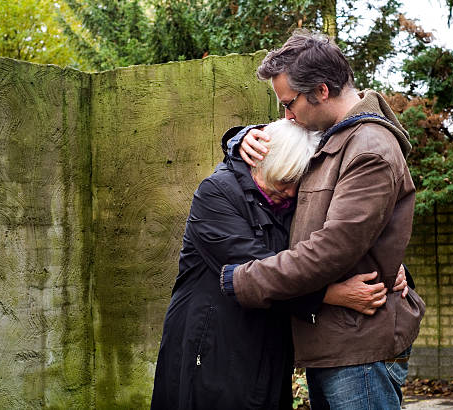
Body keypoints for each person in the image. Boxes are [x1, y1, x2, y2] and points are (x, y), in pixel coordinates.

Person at [220, 31, 426, 409]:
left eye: (289, 103)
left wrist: (246, 280)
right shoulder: (332, 138)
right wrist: (240, 138)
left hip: (359, 347)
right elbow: (285, 147)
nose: (286, 116)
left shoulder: (369, 149)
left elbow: (332, 250)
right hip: (336, 343)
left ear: (322, 90)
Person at [151, 119, 409, 409]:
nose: (290, 193)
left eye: (297, 185)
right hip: (212, 347)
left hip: (267, 347)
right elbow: (260, 269)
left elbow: (331, 244)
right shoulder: (216, 193)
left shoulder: (285, 200)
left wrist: (383, 266)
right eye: (285, 182)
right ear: (261, 164)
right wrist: (331, 295)